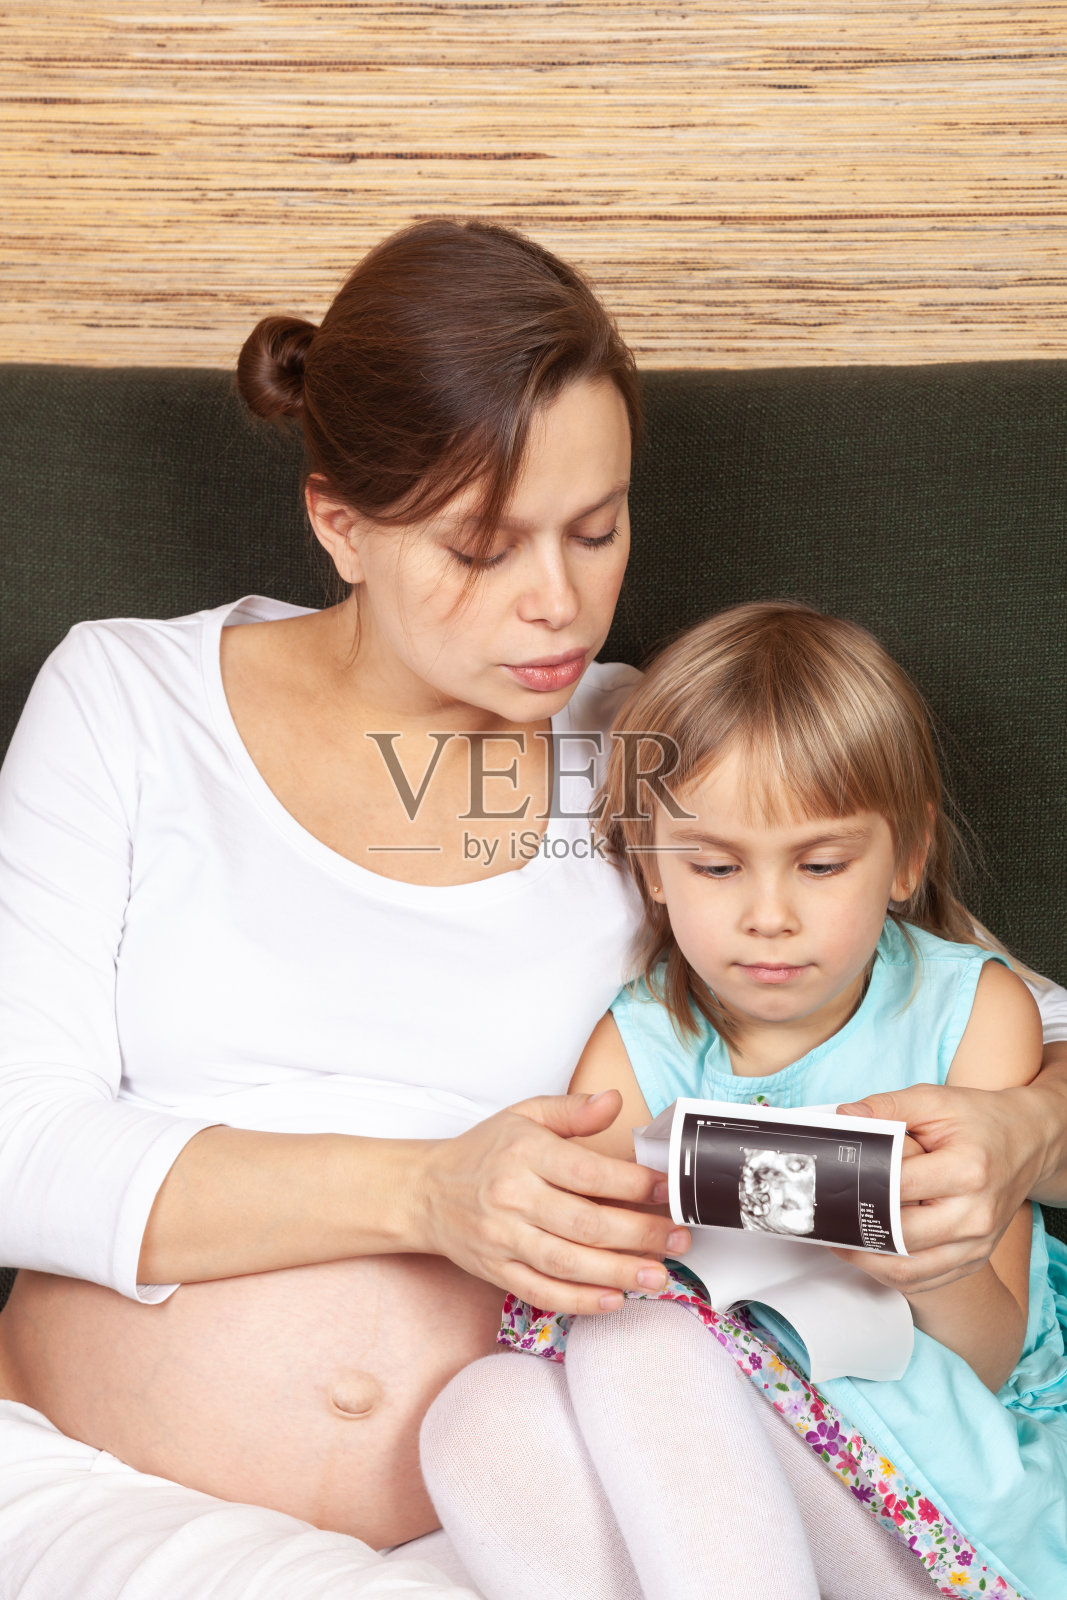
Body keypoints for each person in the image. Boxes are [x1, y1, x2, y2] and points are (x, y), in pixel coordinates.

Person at [0, 220, 1063, 1600]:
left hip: (543, 1530)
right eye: (481, 547)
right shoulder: (129, 703)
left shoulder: (659, 752)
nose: (555, 603)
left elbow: (980, 1018)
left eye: (596, 529)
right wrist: (424, 1193)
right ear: (338, 522)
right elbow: (18, 1150)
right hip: (100, 1487)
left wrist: (1018, 1133)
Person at [420, 602, 1067, 1600]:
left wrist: (926, 1263)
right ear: (651, 866)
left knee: (642, 1343)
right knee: (482, 1413)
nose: (768, 916)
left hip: (933, 1462)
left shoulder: (969, 1015)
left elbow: (985, 1358)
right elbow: (586, 1276)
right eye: (716, 866)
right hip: (715, 1445)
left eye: (820, 865)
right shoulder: (639, 1038)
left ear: (904, 857)